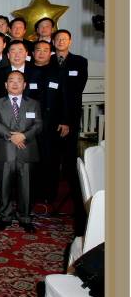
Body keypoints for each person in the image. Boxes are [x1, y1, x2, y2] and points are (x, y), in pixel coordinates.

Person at [0, 71, 42, 233]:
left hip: (26, 151)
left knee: (26, 187)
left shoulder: (33, 103)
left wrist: (23, 136)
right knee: (4, 186)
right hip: (6, 151)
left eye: (19, 81)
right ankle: (4, 217)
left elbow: (38, 124)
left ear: (24, 85)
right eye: (11, 80)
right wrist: (12, 137)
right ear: (6, 85)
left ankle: (25, 218)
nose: (15, 84)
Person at [49, 29, 88, 234]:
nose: (60, 41)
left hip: (70, 115)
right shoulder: (49, 60)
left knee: (70, 156)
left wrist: (66, 120)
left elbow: (76, 91)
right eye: (57, 39)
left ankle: (74, 193)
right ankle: (51, 192)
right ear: (53, 41)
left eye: (64, 39)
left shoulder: (79, 62)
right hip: (51, 117)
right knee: (51, 156)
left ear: (70, 42)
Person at [27, 40, 70, 204]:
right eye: (38, 50)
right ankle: (32, 192)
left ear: (50, 53)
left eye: (45, 50)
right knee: (32, 159)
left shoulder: (59, 73)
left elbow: (66, 98)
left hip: (51, 123)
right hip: (29, 123)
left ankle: (50, 192)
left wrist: (65, 120)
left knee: (50, 158)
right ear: (33, 53)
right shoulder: (27, 71)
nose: (41, 53)